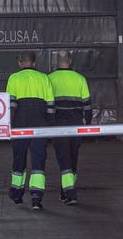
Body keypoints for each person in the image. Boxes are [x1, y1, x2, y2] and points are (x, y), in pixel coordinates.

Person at [6, 52, 54, 210]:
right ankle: (36, 198)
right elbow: (50, 106)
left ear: (20, 63)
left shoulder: (14, 78)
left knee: (19, 159)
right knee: (38, 162)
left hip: (20, 126)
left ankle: (17, 194)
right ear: (34, 63)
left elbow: (11, 105)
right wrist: (50, 127)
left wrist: (9, 126)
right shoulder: (44, 78)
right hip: (40, 126)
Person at [47, 50, 91, 204]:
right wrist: (88, 127)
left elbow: (47, 106)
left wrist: (48, 127)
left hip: (58, 126)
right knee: (73, 159)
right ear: (70, 61)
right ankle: (66, 191)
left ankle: (70, 193)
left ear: (56, 61)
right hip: (76, 125)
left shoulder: (49, 79)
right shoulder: (80, 79)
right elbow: (87, 106)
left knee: (64, 158)